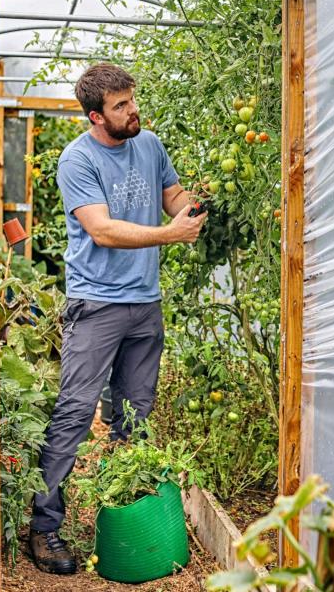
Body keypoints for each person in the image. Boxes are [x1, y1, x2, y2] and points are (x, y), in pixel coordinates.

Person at [28, 63, 207, 574]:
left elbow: (173, 197)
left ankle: (122, 510)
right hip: (97, 304)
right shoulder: (76, 160)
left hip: (143, 303)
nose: (133, 111)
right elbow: (102, 231)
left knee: (134, 415)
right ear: (95, 116)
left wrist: (195, 204)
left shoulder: (147, 144)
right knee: (75, 412)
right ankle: (45, 529)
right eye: (121, 106)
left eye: (132, 100)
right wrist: (169, 234)